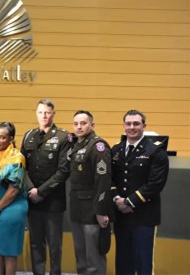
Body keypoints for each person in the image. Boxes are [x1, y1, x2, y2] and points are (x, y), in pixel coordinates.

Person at [111, 110, 169, 275]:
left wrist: (128, 202)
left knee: (143, 262)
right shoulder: (116, 150)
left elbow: (155, 184)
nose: (132, 127)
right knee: (123, 261)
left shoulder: (156, 151)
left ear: (144, 126)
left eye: (136, 124)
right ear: (124, 126)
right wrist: (117, 199)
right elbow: (110, 179)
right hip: (121, 216)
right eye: (128, 124)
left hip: (144, 216)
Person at [20, 99, 71, 275]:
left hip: (53, 201)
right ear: (36, 113)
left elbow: (64, 171)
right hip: (32, 200)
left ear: (53, 113)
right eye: (41, 112)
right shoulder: (29, 135)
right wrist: (31, 190)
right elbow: (21, 167)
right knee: (36, 243)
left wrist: (41, 191)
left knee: (55, 244)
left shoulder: (64, 137)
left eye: (47, 112)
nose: (44, 116)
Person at [68, 111, 113, 275]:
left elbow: (103, 180)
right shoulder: (77, 145)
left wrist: (101, 211)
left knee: (94, 260)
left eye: (83, 123)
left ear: (92, 125)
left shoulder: (97, 146)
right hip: (77, 209)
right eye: (76, 124)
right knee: (81, 258)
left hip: (92, 212)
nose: (79, 127)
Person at [0, 122, 28, 275]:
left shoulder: (17, 158)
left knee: (9, 250)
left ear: (10, 139)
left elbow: (13, 190)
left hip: (12, 207)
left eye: (2, 138)